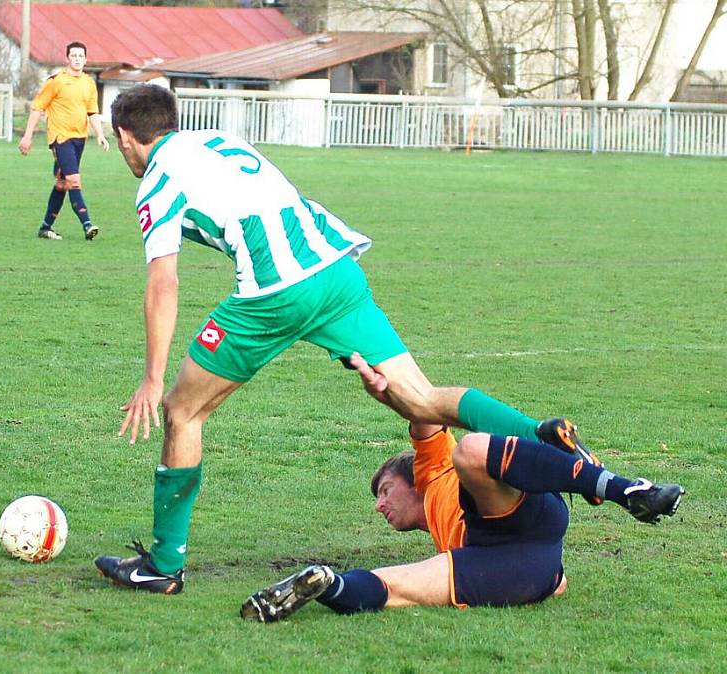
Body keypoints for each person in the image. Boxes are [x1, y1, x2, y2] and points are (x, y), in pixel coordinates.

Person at [94, 83, 608, 594]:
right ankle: (547, 438)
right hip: (336, 272)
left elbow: (164, 281)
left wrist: (151, 378)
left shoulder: (157, 180)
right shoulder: (217, 140)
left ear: (124, 137)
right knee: (423, 403)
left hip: (273, 293)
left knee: (183, 412)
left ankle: (163, 565)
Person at [241, 397, 685, 621]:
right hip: (516, 563)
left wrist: (391, 387)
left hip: (513, 510)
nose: (379, 506)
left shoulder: (432, 467)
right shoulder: (440, 538)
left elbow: (426, 411)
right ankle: (324, 583)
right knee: (393, 586)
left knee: (471, 451)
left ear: (411, 473)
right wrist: (550, 579)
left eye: (384, 490)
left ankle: (619, 488)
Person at [18, 41, 108, 241]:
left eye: (80, 56)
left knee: (62, 183)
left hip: (79, 139)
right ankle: (87, 224)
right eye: (73, 55)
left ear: (85, 59)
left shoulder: (88, 83)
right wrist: (27, 136)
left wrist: (100, 134)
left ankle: (45, 227)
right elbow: (38, 108)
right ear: (67, 58)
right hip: (60, 138)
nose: (77, 59)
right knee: (74, 180)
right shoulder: (56, 81)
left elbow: (92, 111)